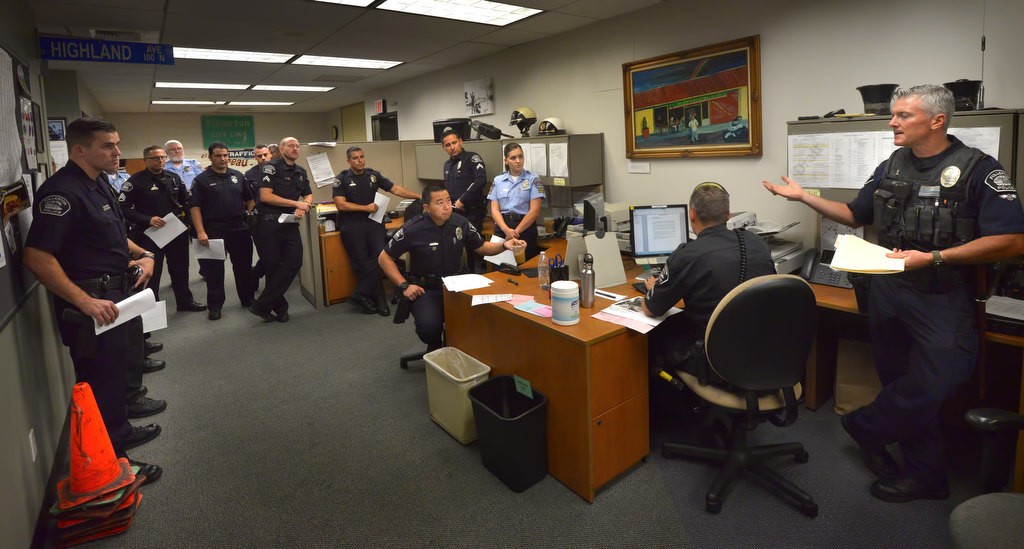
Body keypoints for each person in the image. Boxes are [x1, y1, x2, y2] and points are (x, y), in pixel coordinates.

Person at [762, 84, 1024, 503]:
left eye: (904, 116)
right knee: (899, 378)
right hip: (888, 287)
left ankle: (865, 428)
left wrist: (935, 257)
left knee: (942, 376)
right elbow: (853, 214)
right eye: (894, 114)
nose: (892, 122)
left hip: (942, 291)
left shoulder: (978, 169)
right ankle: (926, 476)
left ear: (937, 121)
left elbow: (1012, 240)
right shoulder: (891, 165)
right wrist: (804, 197)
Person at [23, 117, 162, 482]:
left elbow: (113, 235)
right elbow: (38, 257)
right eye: (108, 146)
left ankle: (120, 431)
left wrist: (142, 253)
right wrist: (84, 302)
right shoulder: (62, 192)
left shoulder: (98, 183)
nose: (118, 152)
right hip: (93, 304)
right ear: (80, 149)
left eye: (117, 144)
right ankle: (114, 464)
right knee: (100, 382)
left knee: (118, 373)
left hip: (117, 295)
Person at [642, 182, 775, 383]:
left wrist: (656, 288)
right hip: (764, 352)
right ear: (728, 215)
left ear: (692, 215)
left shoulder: (688, 254)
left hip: (714, 360)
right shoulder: (757, 242)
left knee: (654, 338)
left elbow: (650, 309)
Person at [379, 185, 523, 351]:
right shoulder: (413, 228)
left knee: (484, 318)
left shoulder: (460, 222)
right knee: (429, 328)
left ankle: (458, 346)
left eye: (448, 200)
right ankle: (435, 346)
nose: (447, 206)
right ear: (427, 207)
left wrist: (504, 245)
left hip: (457, 286)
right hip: (427, 289)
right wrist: (404, 285)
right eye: (439, 203)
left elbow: (482, 247)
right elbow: (384, 258)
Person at [332, 146, 420, 316]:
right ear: (349, 161)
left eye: (362, 157)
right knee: (362, 263)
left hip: (374, 224)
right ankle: (376, 300)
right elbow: (340, 204)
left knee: (379, 259)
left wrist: (417, 196)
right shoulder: (341, 178)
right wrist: (365, 207)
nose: (360, 160)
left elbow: (395, 189)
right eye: (356, 158)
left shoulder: (373, 175)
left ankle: (362, 295)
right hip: (352, 226)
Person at [119, 145, 206, 313]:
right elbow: (123, 208)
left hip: (175, 231)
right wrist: (147, 219)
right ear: (145, 160)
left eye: (162, 157)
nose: (160, 160)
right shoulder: (134, 182)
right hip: (149, 234)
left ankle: (185, 302)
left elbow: (187, 202)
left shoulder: (173, 178)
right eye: (155, 158)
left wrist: (187, 222)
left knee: (180, 268)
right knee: (153, 272)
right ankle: (153, 308)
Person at [190, 142, 257, 320]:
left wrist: (250, 217)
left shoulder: (238, 176)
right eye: (218, 156)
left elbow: (250, 200)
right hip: (213, 229)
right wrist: (200, 231)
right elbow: (194, 207)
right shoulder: (201, 180)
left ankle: (248, 299)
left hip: (238, 228)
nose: (223, 159)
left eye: (225, 155)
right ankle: (215, 306)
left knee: (243, 267)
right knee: (214, 271)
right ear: (210, 157)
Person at [249, 137, 312, 323]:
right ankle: (279, 308)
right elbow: (266, 196)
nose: (295, 148)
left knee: (294, 262)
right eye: (291, 145)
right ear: (281, 148)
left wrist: (304, 205)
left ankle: (262, 305)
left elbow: (308, 194)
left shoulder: (300, 171)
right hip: (268, 224)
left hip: (290, 223)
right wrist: (296, 203)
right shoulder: (270, 167)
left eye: (298, 146)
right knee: (273, 268)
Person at [488, 142, 545, 260]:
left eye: (520, 156)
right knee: (500, 268)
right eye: (513, 158)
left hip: (524, 228)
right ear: (506, 160)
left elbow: (534, 211)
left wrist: (515, 233)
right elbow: (494, 210)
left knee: (526, 268)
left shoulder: (533, 180)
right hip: (502, 228)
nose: (518, 160)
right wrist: (506, 230)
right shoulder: (498, 180)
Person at [441, 129, 487, 270]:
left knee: (472, 250)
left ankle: (472, 279)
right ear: (444, 148)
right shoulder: (447, 165)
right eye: (448, 145)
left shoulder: (472, 159)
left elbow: (481, 180)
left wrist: (462, 200)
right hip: (454, 214)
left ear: (460, 141)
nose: (452, 147)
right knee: (456, 250)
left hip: (471, 214)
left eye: (454, 142)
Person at [244, 144, 273, 281]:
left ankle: (254, 275)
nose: (263, 158)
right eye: (259, 156)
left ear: (270, 154)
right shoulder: (250, 174)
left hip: (278, 217)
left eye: (265, 155)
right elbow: (247, 199)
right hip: (259, 220)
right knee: (266, 254)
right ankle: (269, 288)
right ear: (255, 157)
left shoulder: (279, 170)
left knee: (278, 254)